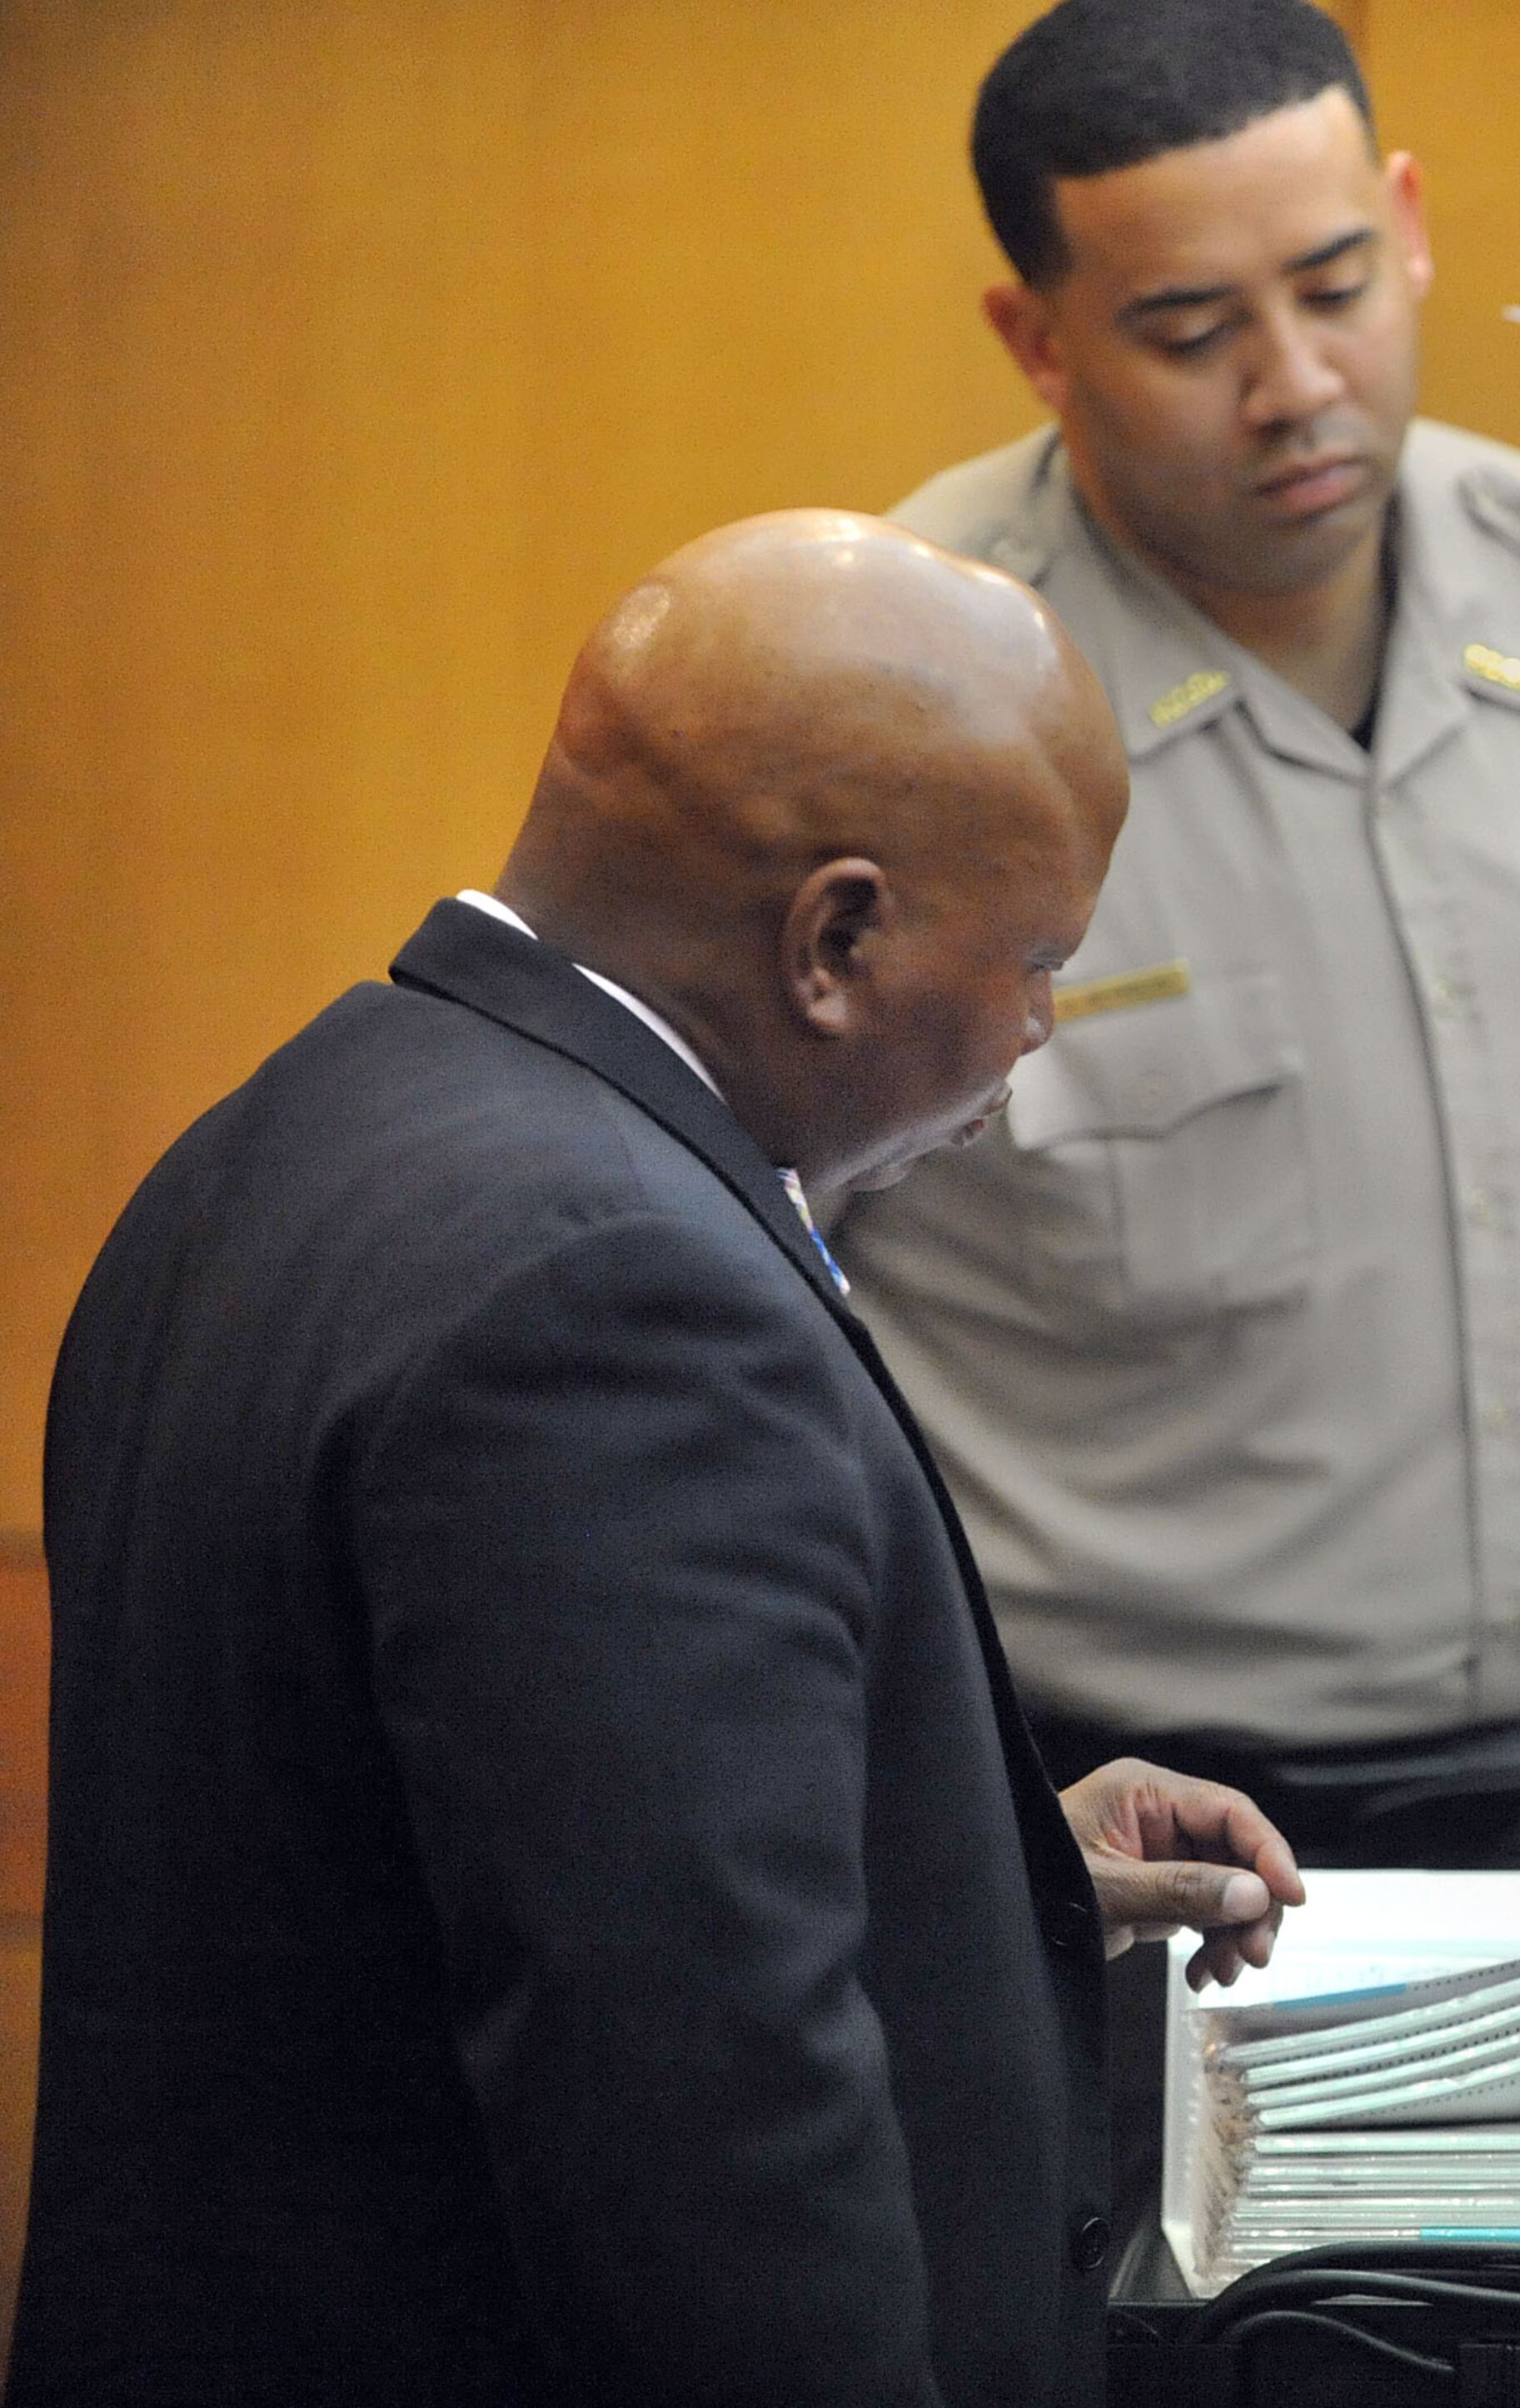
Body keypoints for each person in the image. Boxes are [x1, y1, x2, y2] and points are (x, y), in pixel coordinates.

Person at [11, 513, 1303, 2405]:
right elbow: (705, 2137)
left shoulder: (283, 1141)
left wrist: (976, 1871)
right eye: (1036, 962)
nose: (1038, 1037)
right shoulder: (622, 1305)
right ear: (837, 940)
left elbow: (454, 1861)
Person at [830, 0, 1520, 1885]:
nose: (1295, 384)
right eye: (1192, 330)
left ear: (1411, 222)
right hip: (1146, 1825)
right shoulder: (901, 697)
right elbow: (761, 1304)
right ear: (1035, 341)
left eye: (1338, 285)